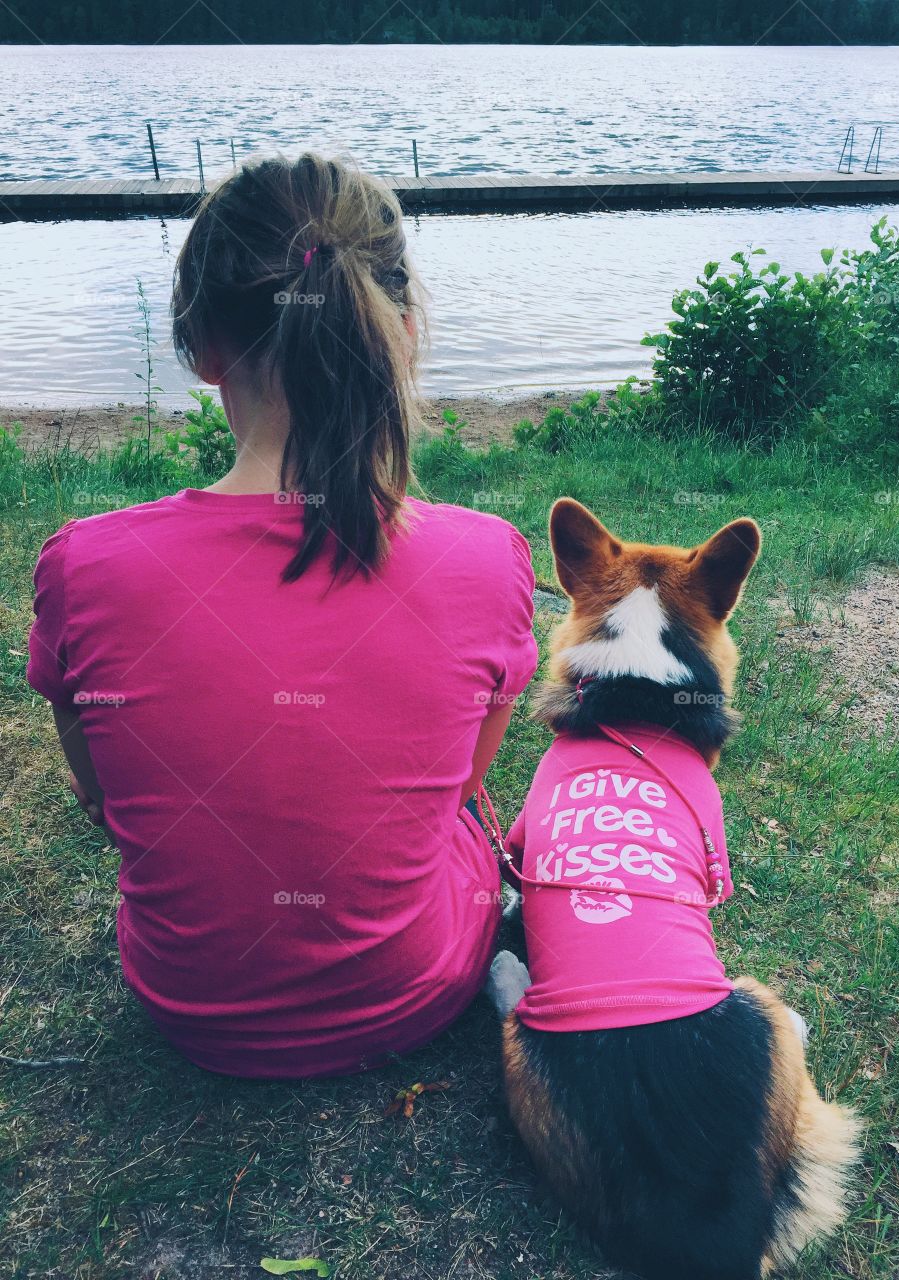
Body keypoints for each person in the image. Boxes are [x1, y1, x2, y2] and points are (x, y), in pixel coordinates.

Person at [26, 154, 537, 1078]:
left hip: (187, 1009)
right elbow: (460, 787)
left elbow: (100, 799)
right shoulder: (487, 556)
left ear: (200, 346)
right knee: (467, 821)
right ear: (404, 332)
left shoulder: (85, 564)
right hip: (417, 994)